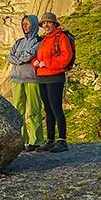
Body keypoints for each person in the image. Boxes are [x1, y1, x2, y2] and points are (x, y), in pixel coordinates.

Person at [32, 11, 74, 152]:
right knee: (48, 109)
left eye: (49, 22)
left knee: (56, 108)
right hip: (42, 77)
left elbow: (66, 57)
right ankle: (50, 140)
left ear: (55, 24)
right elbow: (39, 57)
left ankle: (62, 141)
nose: (46, 25)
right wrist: (35, 63)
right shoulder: (44, 40)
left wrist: (46, 63)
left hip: (55, 77)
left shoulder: (61, 37)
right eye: (44, 23)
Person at [7, 14, 46, 152]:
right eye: (23, 24)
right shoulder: (18, 42)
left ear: (34, 25)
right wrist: (19, 59)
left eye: (27, 23)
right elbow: (9, 56)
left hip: (32, 79)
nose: (25, 26)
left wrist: (18, 58)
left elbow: (29, 55)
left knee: (34, 110)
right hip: (16, 79)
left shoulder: (39, 41)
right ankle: (21, 141)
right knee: (18, 110)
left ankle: (36, 140)